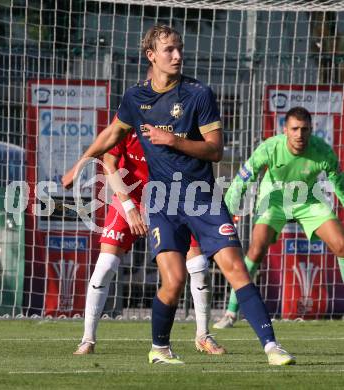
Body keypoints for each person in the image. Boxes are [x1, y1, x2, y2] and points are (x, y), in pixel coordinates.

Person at [63, 24, 294, 366]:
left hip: (202, 197)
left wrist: (173, 140)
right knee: (173, 281)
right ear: (151, 55)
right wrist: (80, 163)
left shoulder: (199, 94)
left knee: (235, 268)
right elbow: (113, 134)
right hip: (162, 201)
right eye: (168, 49)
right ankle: (158, 348)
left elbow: (215, 150)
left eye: (179, 48)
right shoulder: (135, 98)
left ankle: (272, 347)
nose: (177, 55)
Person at [74, 123, 225, 355]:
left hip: (170, 200)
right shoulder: (127, 121)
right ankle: (87, 340)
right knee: (105, 265)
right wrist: (128, 207)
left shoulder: (178, 121)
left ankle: (203, 336)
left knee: (199, 265)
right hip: (130, 197)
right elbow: (109, 164)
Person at [214, 106, 344, 329]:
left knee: (342, 245)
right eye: (295, 129)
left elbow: (339, 185)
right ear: (285, 130)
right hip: (274, 200)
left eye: (305, 129)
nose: (299, 134)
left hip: (308, 200)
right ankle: (231, 312)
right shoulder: (270, 148)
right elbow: (243, 178)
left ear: (311, 130)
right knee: (256, 248)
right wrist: (227, 211)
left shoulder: (322, 151)